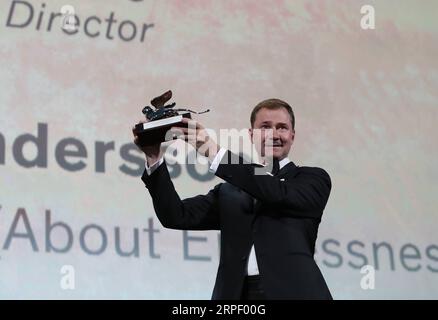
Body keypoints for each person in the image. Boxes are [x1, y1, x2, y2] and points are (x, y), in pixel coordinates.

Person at [132, 98, 332, 300]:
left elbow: (275, 192)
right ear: (251, 135)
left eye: (282, 128)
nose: (274, 134)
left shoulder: (312, 179)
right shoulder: (230, 192)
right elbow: (176, 216)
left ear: (292, 135)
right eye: (265, 127)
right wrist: (153, 158)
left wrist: (212, 151)